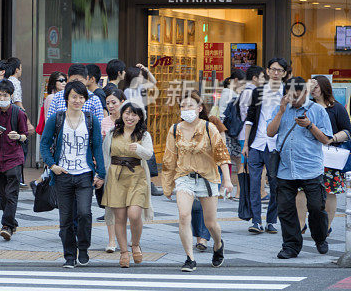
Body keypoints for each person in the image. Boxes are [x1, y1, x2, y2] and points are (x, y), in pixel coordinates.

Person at [161, 91, 232, 272]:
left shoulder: (209, 128)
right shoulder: (175, 129)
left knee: (210, 223)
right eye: (183, 106)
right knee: (184, 215)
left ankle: (217, 244)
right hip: (184, 177)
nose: (186, 109)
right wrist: (167, 185)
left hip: (207, 178)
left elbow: (221, 153)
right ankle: (189, 258)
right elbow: (169, 158)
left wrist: (227, 181)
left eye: (190, 105)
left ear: (200, 108)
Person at [40, 80, 106, 268]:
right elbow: (44, 144)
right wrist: (52, 166)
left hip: (85, 174)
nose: (77, 100)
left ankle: (83, 247)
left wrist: (101, 173)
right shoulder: (57, 118)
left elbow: (97, 148)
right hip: (62, 175)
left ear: (85, 99)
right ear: (67, 98)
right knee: (66, 218)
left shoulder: (90, 119)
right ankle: (69, 255)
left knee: (85, 213)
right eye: (73, 97)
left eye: (81, 97)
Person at [266, 77, 332, 259]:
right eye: (290, 95)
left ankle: (320, 238)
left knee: (316, 207)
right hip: (285, 169)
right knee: (285, 209)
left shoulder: (318, 111)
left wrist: (310, 126)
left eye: (298, 95)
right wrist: (280, 111)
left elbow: (326, 139)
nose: (294, 99)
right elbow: (270, 132)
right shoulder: (281, 109)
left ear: (306, 93)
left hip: (311, 168)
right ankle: (291, 246)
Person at [101, 101, 154, 268]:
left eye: (134, 114)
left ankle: (135, 243)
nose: (130, 117)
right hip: (116, 176)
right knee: (120, 217)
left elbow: (149, 155)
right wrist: (101, 176)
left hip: (136, 176)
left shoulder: (144, 135)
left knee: (134, 214)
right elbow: (105, 156)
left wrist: (138, 149)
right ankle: (124, 252)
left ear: (140, 117)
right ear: (122, 114)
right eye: (127, 113)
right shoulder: (112, 133)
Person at [299, 75, 350, 234]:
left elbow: (348, 131)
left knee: (330, 191)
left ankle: (326, 227)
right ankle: (300, 225)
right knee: (301, 189)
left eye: (315, 86)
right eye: (311, 87)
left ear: (324, 87)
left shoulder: (336, 108)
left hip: (330, 158)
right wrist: (305, 91)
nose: (313, 90)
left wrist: (332, 138)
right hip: (308, 155)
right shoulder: (307, 106)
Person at [242, 58, 288, 234]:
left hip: (276, 146)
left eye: (280, 70)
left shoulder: (287, 92)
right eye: (273, 69)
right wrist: (246, 143)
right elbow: (250, 118)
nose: (276, 73)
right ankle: (256, 221)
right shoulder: (258, 92)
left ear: (284, 73)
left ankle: (271, 220)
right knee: (254, 184)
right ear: (267, 71)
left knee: (275, 184)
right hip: (257, 143)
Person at [0, 79, 28, 241]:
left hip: (14, 158)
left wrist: (18, 136)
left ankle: (7, 226)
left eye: (5, 95)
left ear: (11, 95)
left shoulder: (19, 113)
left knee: (11, 194)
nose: (2, 98)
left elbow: (25, 135)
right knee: (2, 196)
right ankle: (12, 222)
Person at [99, 89, 126, 252]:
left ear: (123, 102)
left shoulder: (130, 120)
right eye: (108, 103)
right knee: (110, 206)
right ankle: (111, 241)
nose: (110, 106)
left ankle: (128, 238)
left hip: (128, 168)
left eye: (114, 102)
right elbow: (102, 148)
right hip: (110, 168)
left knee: (127, 207)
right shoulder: (104, 122)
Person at [35, 71, 66, 136]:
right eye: (61, 80)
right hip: (53, 134)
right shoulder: (51, 97)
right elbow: (48, 119)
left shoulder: (63, 96)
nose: (64, 83)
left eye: (65, 80)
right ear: (54, 82)